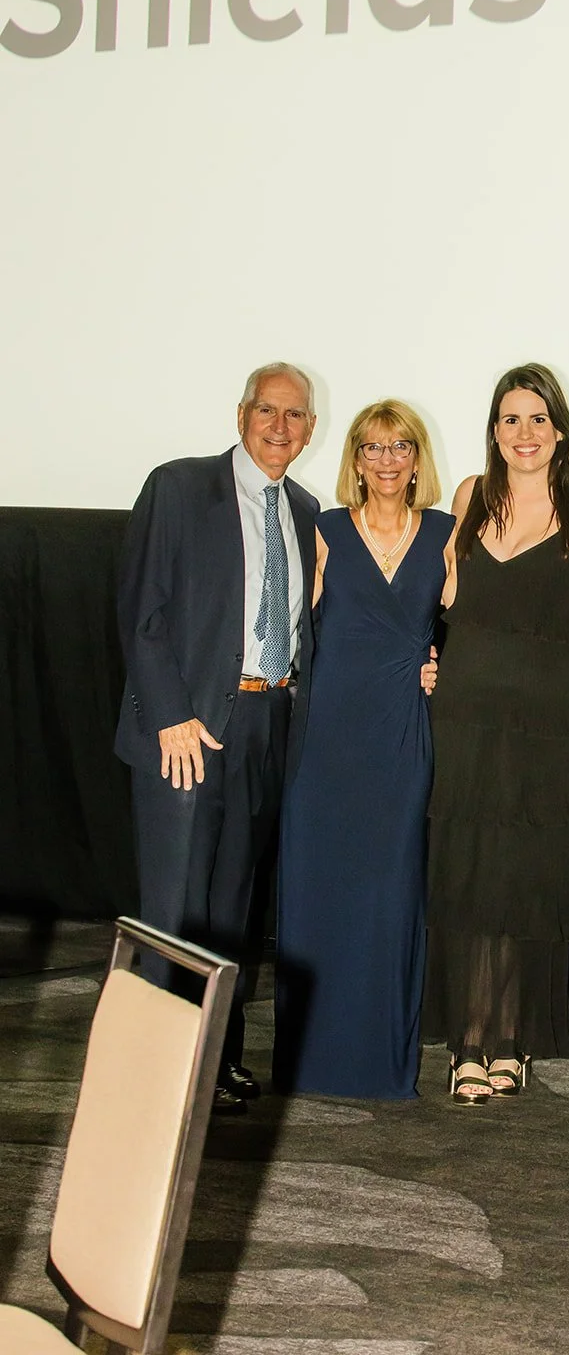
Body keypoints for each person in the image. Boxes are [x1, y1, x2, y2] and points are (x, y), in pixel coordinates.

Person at [115, 362, 319, 1114]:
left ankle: (213, 1061)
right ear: (241, 415)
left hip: (265, 726)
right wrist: (170, 713)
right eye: (267, 411)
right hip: (188, 731)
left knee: (231, 912)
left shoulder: (302, 507)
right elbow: (143, 612)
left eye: (295, 416)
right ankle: (154, 1072)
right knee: (174, 912)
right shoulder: (178, 486)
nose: (279, 427)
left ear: (310, 430)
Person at [423, 363, 569, 1103]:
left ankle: (511, 1038)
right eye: (509, 419)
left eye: (536, 418)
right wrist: (425, 661)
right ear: (493, 429)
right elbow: (441, 598)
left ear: (560, 428)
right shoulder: (470, 495)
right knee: (470, 878)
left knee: (525, 881)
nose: (522, 433)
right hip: (467, 717)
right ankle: (470, 1039)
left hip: (550, 728)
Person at [273, 401, 453, 1099]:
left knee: (389, 897)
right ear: (354, 458)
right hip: (325, 745)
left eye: (399, 446)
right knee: (320, 892)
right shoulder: (322, 532)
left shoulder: (444, 534)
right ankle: (312, 1059)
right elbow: (285, 626)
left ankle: (381, 1063)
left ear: (416, 458)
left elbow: (479, 625)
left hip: (401, 740)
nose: (385, 460)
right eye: (371, 447)